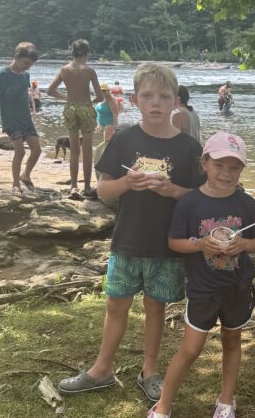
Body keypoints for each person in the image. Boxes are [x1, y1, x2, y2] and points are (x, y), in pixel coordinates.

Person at [58, 63, 202, 400]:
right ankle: (101, 369)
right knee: (116, 305)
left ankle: (149, 371)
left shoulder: (189, 148)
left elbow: (198, 198)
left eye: (164, 97)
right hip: (127, 241)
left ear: (175, 102)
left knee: (156, 308)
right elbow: (103, 190)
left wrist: (173, 191)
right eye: (148, 96)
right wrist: (127, 182)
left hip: (167, 245)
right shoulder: (123, 141)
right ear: (135, 100)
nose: (156, 103)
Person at [140, 132, 255, 418]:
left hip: (237, 287)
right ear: (205, 163)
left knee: (232, 341)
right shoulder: (189, 202)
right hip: (202, 289)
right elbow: (174, 242)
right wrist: (200, 244)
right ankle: (162, 407)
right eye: (219, 165)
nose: (226, 174)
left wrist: (243, 244)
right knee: (191, 348)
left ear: (242, 170)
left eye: (234, 168)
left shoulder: (247, 203)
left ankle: (226, 400)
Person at [0, 42, 42, 196]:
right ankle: (15, 184)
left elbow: (26, 95)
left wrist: (33, 110)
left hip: (25, 120)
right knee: (20, 152)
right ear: (17, 57)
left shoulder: (25, 75)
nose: (28, 67)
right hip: (11, 120)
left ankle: (26, 175)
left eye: (31, 64)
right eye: (26, 63)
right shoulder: (3, 74)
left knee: (37, 150)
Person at [47, 39, 104, 200]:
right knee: (86, 151)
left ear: (72, 52)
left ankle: (73, 186)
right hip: (85, 108)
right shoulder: (89, 71)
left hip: (70, 108)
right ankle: (86, 186)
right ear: (87, 53)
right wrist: (88, 102)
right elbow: (100, 96)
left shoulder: (64, 70)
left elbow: (50, 91)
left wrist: (67, 97)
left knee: (74, 150)